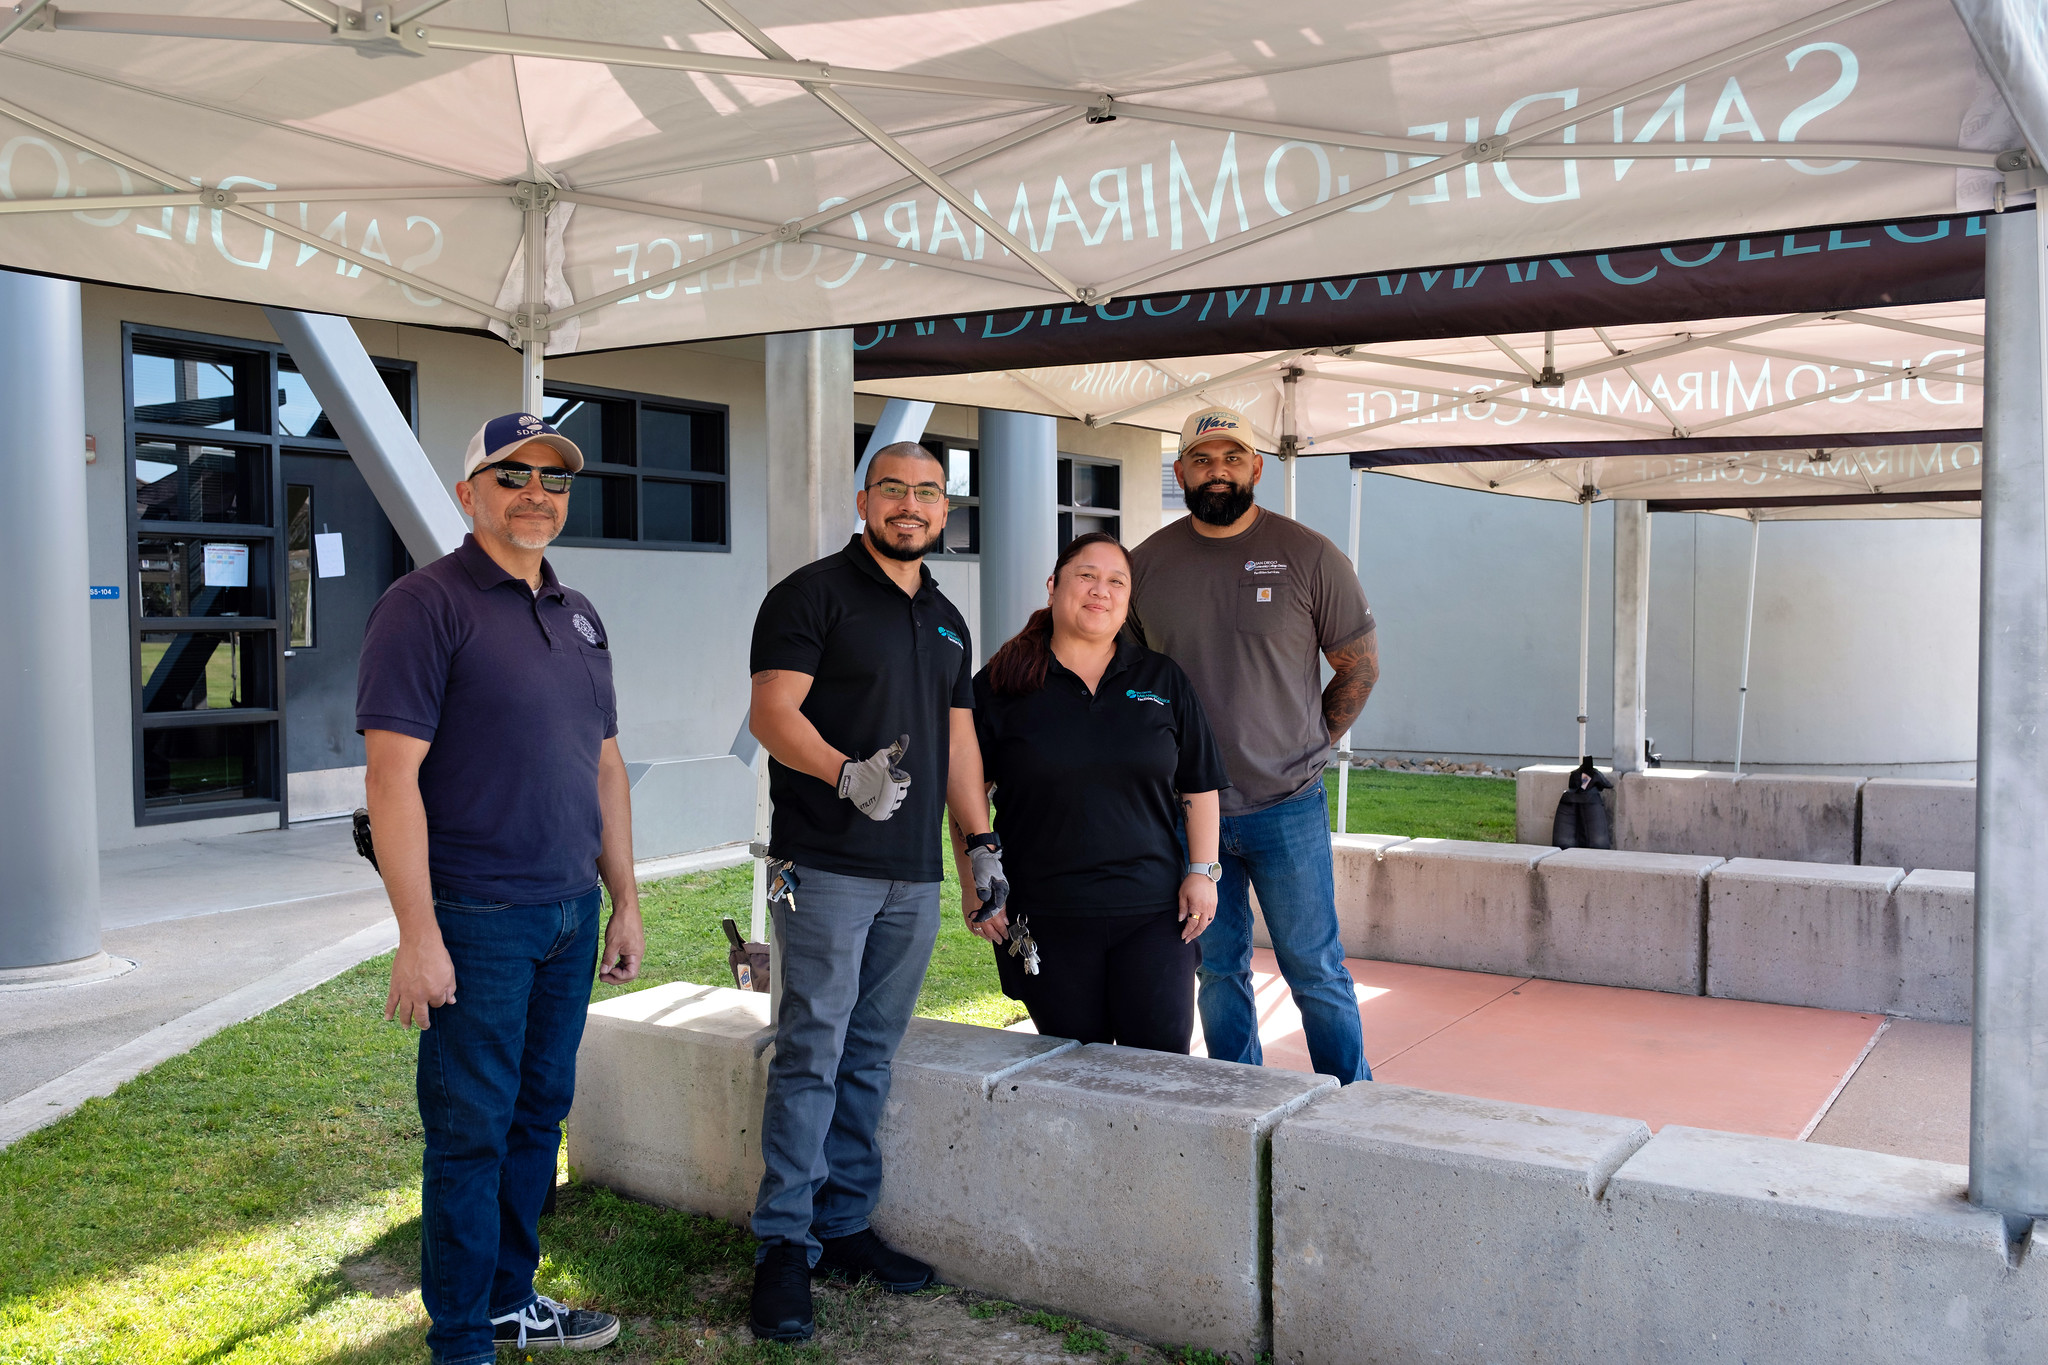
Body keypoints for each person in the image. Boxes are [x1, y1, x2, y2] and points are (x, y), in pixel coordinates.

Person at [358, 412, 645, 1364]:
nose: (536, 493)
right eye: (511, 474)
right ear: (467, 493)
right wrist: (418, 932)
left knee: (536, 1116)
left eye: (552, 479)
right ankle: (461, 1337)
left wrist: (626, 899)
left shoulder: (580, 613)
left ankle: (511, 1297)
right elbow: (391, 780)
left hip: (569, 913)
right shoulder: (423, 603)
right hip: (476, 918)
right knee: (470, 1132)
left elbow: (605, 767)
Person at [744, 442, 1008, 1343]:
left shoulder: (946, 617)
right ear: (865, 500)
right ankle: (782, 1244)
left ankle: (845, 1222)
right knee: (811, 1044)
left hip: (914, 876)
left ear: (945, 508)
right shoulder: (811, 593)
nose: (910, 504)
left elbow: (959, 744)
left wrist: (981, 850)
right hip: (819, 865)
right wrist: (844, 770)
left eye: (927, 492)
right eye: (892, 488)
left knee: (870, 1053)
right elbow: (773, 712)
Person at [1129, 405, 1381, 1085]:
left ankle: (1352, 1103)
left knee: (1314, 969)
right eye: (1203, 460)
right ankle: (1242, 1101)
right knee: (1216, 971)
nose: (1218, 471)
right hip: (1187, 815)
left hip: (1286, 806)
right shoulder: (1145, 566)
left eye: (1232, 458)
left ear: (1256, 468)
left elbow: (1358, 665)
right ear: (1180, 470)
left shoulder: (1309, 554)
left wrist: (1312, 746)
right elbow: (1127, 682)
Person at [960, 532, 1228, 1053]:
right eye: (1086, 576)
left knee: (1156, 1071)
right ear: (1054, 585)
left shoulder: (1162, 678)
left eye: (1115, 581)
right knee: (1070, 1074)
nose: (1099, 590)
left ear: (1129, 601)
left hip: (1154, 912)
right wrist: (976, 885)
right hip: (1046, 912)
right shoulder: (1000, 684)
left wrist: (1203, 872)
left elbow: (1199, 782)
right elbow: (967, 795)